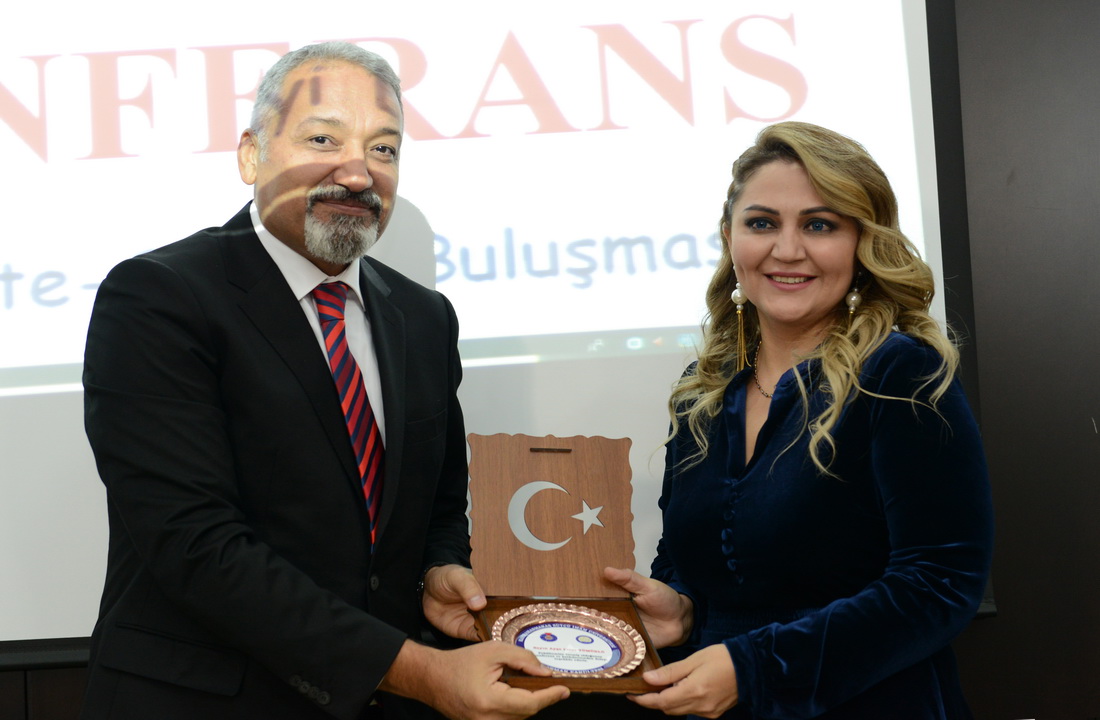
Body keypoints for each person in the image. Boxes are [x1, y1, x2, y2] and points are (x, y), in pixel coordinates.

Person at [80, 41, 568, 720]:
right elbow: (194, 545)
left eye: (384, 149)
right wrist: (418, 671)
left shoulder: (424, 317)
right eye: (322, 139)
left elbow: (436, 507)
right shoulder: (158, 297)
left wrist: (437, 569)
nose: (359, 172)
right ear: (251, 156)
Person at [605, 122, 994, 719]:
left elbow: (939, 585)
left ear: (862, 242)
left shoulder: (901, 375)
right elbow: (694, 565)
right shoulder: (702, 391)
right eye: (762, 223)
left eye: (819, 225)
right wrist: (682, 609)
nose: (787, 250)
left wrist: (756, 669)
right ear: (730, 237)